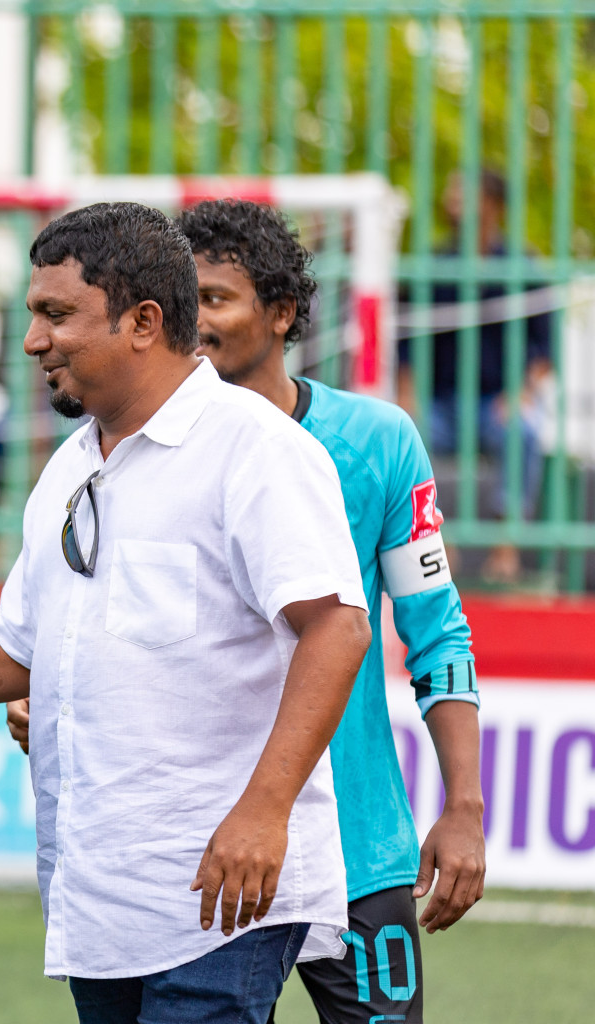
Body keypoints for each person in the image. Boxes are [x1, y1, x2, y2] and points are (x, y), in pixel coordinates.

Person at [0, 202, 373, 1024]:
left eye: (56, 315)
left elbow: (338, 627)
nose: (32, 341)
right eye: (31, 315)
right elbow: (18, 651)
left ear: (144, 322)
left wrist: (263, 812)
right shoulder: (70, 467)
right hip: (103, 900)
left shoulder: (255, 450)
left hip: (216, 893)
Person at [174, 198, 480, 1023]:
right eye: (179, 299)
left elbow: (436, 628)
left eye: (214, 298)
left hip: (358, 850)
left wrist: (463, 806)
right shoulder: (141, 447)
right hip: (213, 847)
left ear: (281, 314)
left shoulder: (377, 441)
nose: (191, 321)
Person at [396, 169, 552, 584]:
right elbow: (405, 343)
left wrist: (521, 393)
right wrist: (407, 396)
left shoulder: (522, 266)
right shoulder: (432, 266)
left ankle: (506, 547)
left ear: (492, 204)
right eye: (451, 191)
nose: (452, 199)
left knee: (523, 431)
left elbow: (544, 350)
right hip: (441, 405)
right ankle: (439, 548)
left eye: (462, 191)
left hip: (496, 405)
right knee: (404, 432)